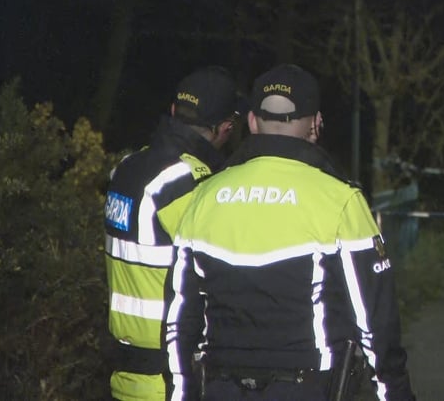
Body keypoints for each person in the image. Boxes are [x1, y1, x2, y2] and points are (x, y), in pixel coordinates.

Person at [158, 63, 416, 401]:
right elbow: (375, 322)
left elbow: (179, 322)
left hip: (220, 387)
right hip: (310, 387)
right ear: (315, 125)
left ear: (251, 122)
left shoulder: (204, 196)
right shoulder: (341, 200)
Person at [103, 66, 246, 401]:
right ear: (225, 128)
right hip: (173, 378)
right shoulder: (188, 184)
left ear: (172, 111)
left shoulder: (127, 168)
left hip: (124, 373)